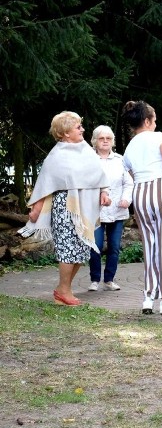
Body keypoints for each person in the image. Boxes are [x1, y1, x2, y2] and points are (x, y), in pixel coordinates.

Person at [19, 112, 109, 307]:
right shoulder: (56, 155)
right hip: (65, 207)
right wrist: (36, 209)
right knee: (68, 249)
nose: (82, 129)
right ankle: (64, 291)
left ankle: (63, 289)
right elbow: (45, 183)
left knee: (82, 250)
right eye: (78, 127)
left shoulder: (85, 149)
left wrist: (104, 192)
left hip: (85, 206)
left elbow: (98, 174)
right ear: (66, 133)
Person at [121, 101, 162, 314]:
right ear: (147, 121)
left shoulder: (129, 147)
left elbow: (130, 173)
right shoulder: (160, 137)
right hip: (160, 186)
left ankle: (149, 297)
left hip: (140, 192)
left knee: (150, 244)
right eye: (154, 120)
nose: (156, 124)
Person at [87, 125, 133, 292]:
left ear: (112, 141)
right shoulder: (89, 160)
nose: (105, 141)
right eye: (101, 138)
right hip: (95, 211)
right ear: (95, 141)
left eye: (108, 138)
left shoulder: (120, 160)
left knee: (114, 246)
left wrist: (127, 199)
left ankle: (109, 279)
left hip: (117, 210)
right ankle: (94, 279)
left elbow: (129, 183)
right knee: (95, 245)